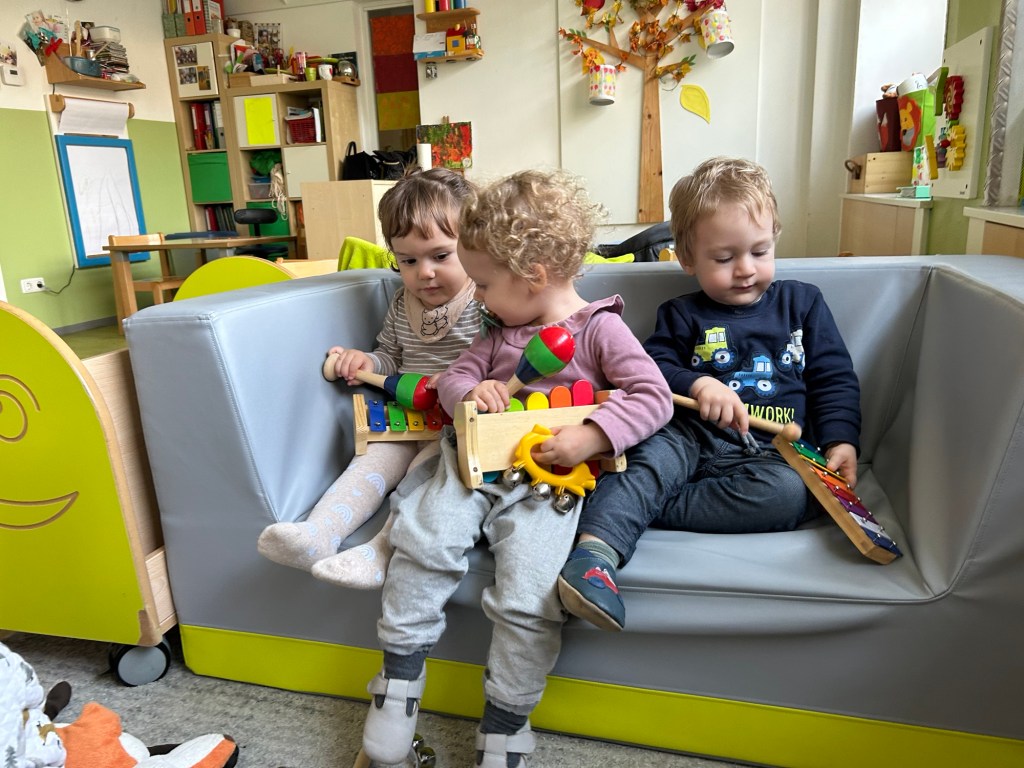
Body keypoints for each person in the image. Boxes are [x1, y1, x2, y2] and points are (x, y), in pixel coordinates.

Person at [356, 170, 673, 767]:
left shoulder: (600, 329)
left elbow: (653, 397)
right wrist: (471, 393)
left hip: (548, 490)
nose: (475, 296)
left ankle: (505, 727)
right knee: (422, 541)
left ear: (533, 275)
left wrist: (593, 435)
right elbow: (454, 379)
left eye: (482, 283)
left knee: (531, 595)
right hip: (473, 468)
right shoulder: (501, 333)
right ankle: (397, 682)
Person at [558, 156, 862, 632]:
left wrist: (842, 439)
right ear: (687, 259)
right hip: (687, 435)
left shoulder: (803, 303)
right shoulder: (680, 314)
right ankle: (595, 557)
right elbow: (650, 369)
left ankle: (638, 506)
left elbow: (834, 378)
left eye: (760, 251)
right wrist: (699, 383)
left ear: (775, 238)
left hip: (771, 452)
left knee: (790, 495)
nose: (745, 269)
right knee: (647, 462)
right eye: (724, 259)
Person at [257, 167, 479, 589]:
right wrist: (366, 362)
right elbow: (390, 357)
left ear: (472, 246)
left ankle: (381, 552)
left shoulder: (483, 301)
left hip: (458, 431)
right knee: (368, 465)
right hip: (407, 417)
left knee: (421, 480)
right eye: (408, 261)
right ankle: (318, 535)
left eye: (440, 256)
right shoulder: (402, 303)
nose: (424, 273)